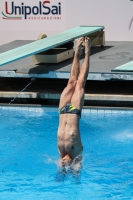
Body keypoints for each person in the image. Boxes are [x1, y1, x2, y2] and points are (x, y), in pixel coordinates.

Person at [57, 36, 90, 169]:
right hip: (74, 111)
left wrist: (61, 169)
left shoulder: (60, 153)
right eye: (65, 165)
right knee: (80, 82)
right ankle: (87, 51)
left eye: (62, 164)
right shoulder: (77, 153)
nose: (63, 163)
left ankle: (76, 51)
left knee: (71, 81)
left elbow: (59, 168)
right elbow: (78, 169)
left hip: (62, 110)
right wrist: (76, 169)